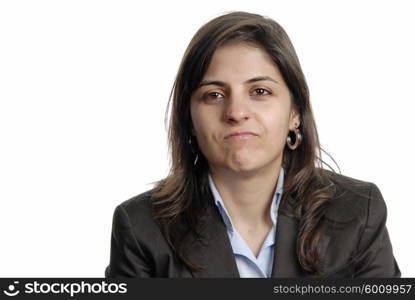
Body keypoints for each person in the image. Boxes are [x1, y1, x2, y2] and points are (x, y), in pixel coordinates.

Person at [105, 11, 400, 278]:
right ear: (189, 119)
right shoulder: (141, 229)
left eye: (260, 91)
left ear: (294, 113)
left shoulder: (358, 213)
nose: (235, 112)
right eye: (214, 95)